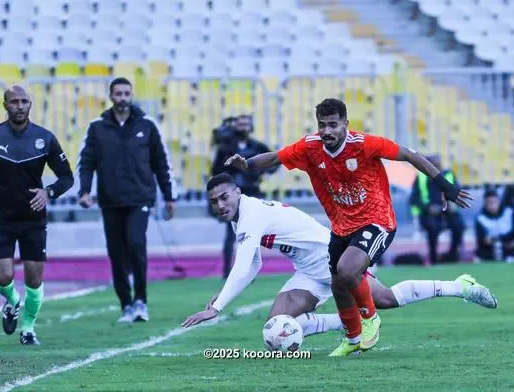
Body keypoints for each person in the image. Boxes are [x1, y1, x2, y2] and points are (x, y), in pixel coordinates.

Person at [225, 98, 472, 356]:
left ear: (346, 123)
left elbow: (409, 155)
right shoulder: (310, 148)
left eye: (333, 125)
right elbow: (275, 157)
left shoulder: (364, 144)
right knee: (339, 285)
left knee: (347, 270)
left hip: (377, 220)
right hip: (342, 227)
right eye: (322, 125)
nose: (327, 131)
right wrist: (248, 164)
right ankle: (352, 339)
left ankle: (370, 319)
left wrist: (445, 185)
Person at [181, 174, 496, 339]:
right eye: (214, 201)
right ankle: (347, 323)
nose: (220, 205)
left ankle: (459, 285)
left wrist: (219, 306)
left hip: (331, 258)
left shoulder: (251, 214)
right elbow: (253, 264)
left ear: (236, 192)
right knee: (278, 325)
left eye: (224, 197)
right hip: (307, 270)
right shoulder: (241, 215)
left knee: (385, 299)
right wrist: (222, 297)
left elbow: (243, 261)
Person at [0, 85, 74, 345]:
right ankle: (12, 301)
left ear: (31, 105)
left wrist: (49, 191)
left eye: (24, 101)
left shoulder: (44, 138)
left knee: (34, 280)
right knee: (4, 277)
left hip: (33, 220)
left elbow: (67, 176)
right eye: (14, 102)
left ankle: (28, 329)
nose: (20, 106)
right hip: (1, 218)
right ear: (5, 105)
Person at [77, 77, 177, 323]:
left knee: (136, 244)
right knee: (117, 253)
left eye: (126, 93)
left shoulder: (147, 125)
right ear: (110, 96)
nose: (122, 98)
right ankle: (126, 305)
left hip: (140, 198)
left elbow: (161, 163)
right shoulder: (97, 127)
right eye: (118, 93)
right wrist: (85, 191)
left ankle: (141, 300)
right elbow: (86, 162)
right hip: (110, 200)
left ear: (132, 95)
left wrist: (169, 196)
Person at [211, 114, 279, 279]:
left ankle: (250, 271)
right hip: (233, 194)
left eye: (246, 124)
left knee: (252, 233)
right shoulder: (226, 147)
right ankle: (227, 272)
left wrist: (261, 170)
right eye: (240, 124)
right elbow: (215, 171)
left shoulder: (256, 146)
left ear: (251, 126)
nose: (243, 127)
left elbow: (275, 160)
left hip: (253, 192)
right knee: (231, 233)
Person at [409, 154, 465, 264]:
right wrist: (428, 208)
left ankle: (452, 254)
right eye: (434, 165)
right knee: (432, 228)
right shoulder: (421, 177)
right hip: (429, 214)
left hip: (448, 212)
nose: (437, 168)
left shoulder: (449, 174)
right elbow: (413, 199)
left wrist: (454, 204)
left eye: (438, 165)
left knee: (459, 226)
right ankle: (433, 257)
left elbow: (458, 192)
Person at [475, 189, 514, 262]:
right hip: (492, 247)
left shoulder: (510, 213)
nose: (493, 205)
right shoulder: (480, 218)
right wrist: (487, 241)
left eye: (494, 202)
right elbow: (481, 238)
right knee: (480, 255)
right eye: (489, 202)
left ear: (499, 201)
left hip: (510, 244)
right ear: (485, 203)